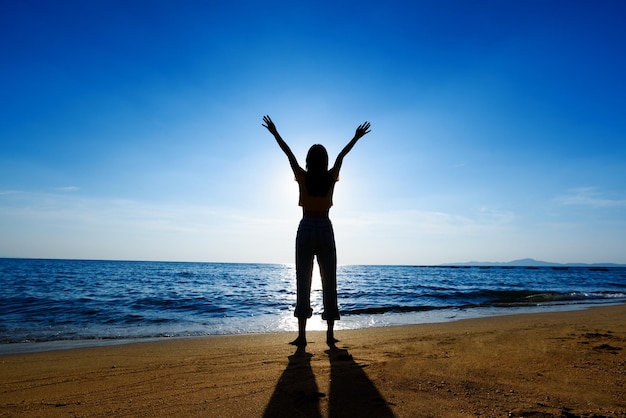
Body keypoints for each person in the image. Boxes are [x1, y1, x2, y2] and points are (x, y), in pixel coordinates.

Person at [262, 115, 371, 347]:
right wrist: (356, 137)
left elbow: (288, 154)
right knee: (329, 280)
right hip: (324, 227)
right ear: (325, 160)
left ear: (309, 160)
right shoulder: (331, 177)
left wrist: (274, 132)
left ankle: (302, 336)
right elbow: (342, 156)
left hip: (305, 228)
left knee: (303, 280)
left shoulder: (303, 176)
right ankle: (329, 336)